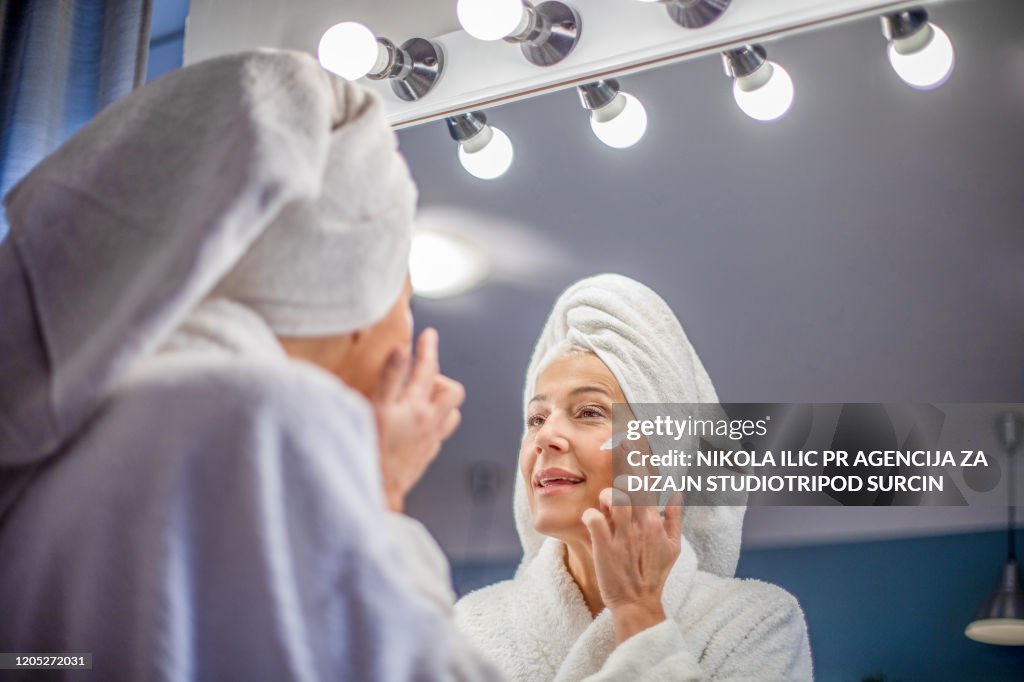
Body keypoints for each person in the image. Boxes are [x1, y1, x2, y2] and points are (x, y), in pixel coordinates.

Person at [0, 50, 499, 680]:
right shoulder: (259, 412)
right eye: (404, 297)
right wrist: (385, 495)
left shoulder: (68, 433)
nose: (408, 332)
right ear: (350, 294)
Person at [454, 274, 814, 681]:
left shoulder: (752, 622)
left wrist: (638, 613)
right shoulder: (470, 628)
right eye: (536, 418)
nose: (544, 437)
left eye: (589, 411)